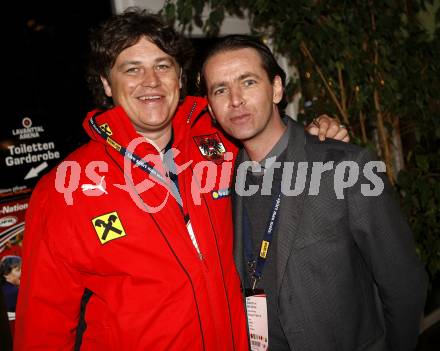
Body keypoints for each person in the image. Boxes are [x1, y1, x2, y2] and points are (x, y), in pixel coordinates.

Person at [15, 9, 347, 351]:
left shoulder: (223, 141)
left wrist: (314, 136)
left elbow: (275, 147)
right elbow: (42, 328)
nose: (151, 81)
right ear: (105, 83)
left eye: (163, 66)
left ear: (179, 78)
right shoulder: (64, 190)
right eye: (132, 69)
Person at [201, 34, 428, 351]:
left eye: (248, 82)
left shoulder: (345, 166)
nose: (235, 99)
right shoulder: (218, 180)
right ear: (211, 108)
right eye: (221, 90)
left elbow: (404, 284)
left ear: (277, 88)